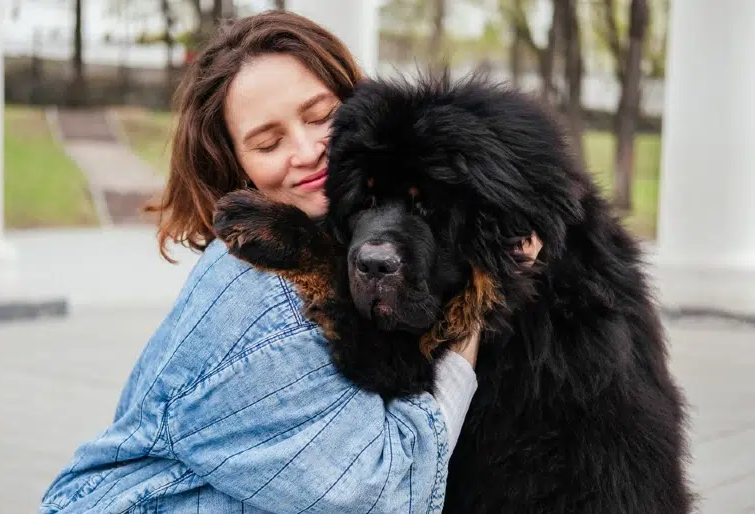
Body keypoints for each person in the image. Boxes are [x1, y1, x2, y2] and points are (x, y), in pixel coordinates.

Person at [39, 10, 542, 514]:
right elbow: (386, 495)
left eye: (321, 116)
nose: (307, 151)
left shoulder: (354, 240)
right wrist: (477, 311)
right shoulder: (265, 288)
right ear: (238, 167)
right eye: (268, 142)